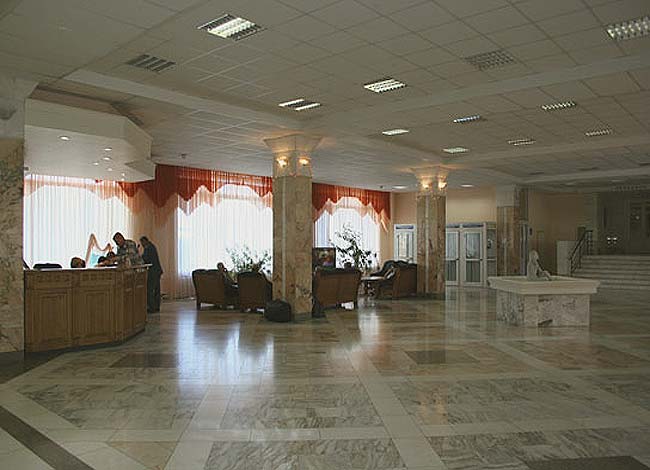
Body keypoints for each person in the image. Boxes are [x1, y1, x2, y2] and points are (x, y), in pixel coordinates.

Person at [140, 236, 163, 313]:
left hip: (153, 272)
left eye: (142, 243)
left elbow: (146, 259)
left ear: (145, 241)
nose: (142, 245)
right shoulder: (152, 246)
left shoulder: (149, 248)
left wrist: (140, 258)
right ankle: (156, 307)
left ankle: (152, 307)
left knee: (150, 289)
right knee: (156, 290)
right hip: (157, 271)